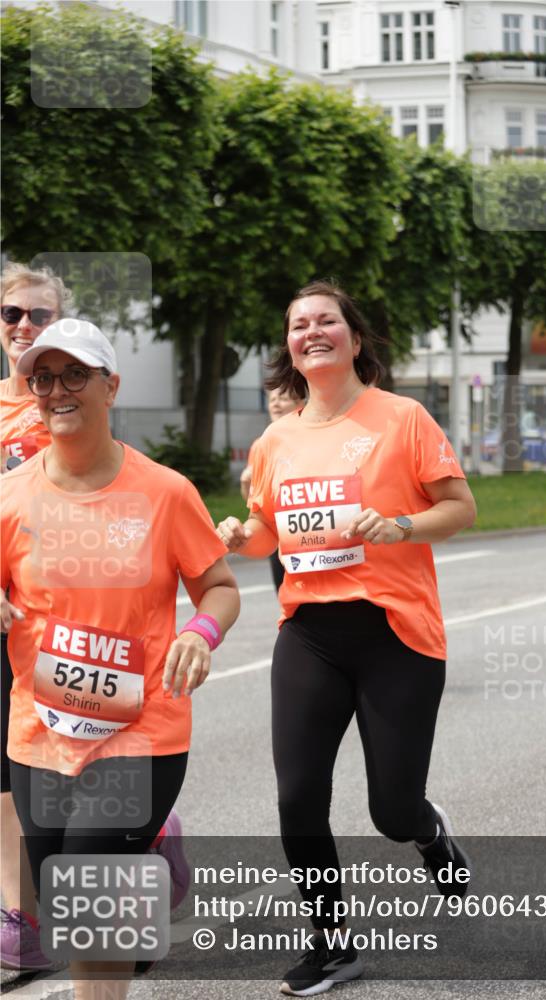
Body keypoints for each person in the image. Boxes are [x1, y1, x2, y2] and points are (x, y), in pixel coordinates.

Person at [217, 280, 476, 996]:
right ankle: (333, 944)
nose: (311, 331)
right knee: (297, 796)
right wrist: (244, 537)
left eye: (325, 320)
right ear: (290, 349)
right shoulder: (276, 440)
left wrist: (401, 527)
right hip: (309, 632)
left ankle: (426, 831)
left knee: (390, 812)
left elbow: (460, 506)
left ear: (354, 339)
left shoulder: (402, 419)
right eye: (298, 324)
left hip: (395, 631)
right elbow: (272, 528)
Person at [0, 318, 240, 999]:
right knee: (64, 899)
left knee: (87, 902)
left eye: (74, 374)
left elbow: (219, 588)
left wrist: (200, 633)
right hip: (39, 734)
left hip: (141, 731)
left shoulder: (164, 493)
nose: (56, 390)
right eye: (42, 378)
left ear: (111, 385)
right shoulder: (10, 497)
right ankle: (153, 858)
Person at [0, 263, 70, 970]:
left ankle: (153, 827)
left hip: (61, 618)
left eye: (39, 315)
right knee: (1, 774)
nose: (24, 327)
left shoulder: (68, 401)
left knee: (72, 764)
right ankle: (25, 920)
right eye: (12, 314)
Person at [240, 388, 305, 592]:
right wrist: (245, 484)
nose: (275, 404)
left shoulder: (310, 439)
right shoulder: (261, 445)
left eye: (283, 399)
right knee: (284, 593)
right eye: (272, 399)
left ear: (300, 404)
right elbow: (254, 505)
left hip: (307, 532)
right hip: (276, 534)